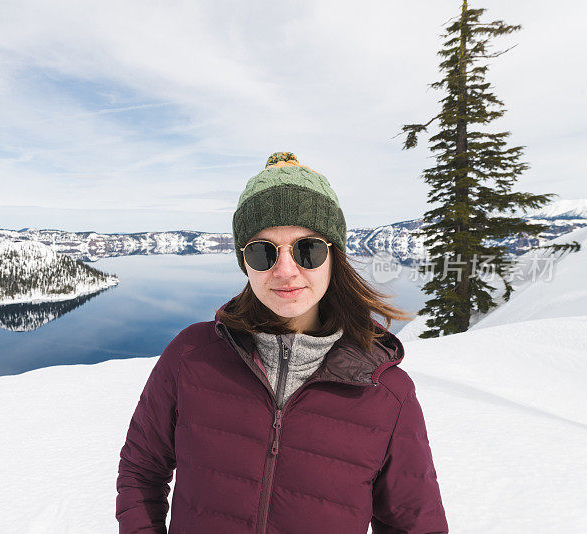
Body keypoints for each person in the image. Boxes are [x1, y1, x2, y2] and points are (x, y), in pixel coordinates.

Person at [116, 152, 449, 533]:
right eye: (263, 251)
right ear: (245, 262)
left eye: (308, 249)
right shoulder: (190, 356)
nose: (286, 270)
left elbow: (416, 525)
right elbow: (141, 472)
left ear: (333, 256)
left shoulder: (388, 393)